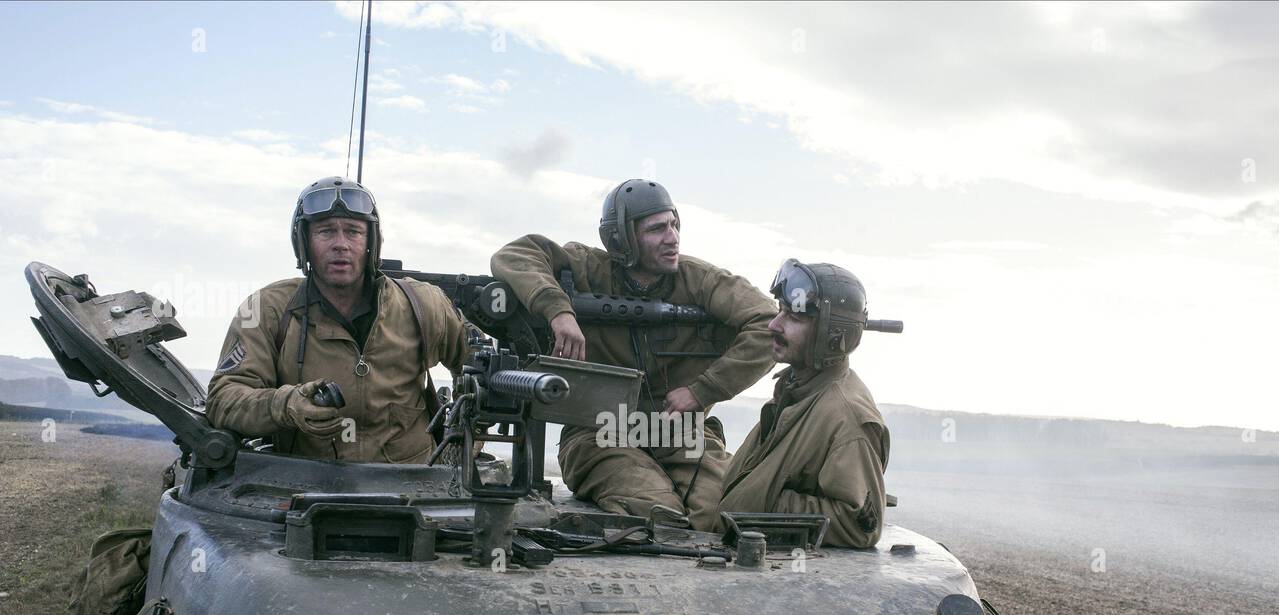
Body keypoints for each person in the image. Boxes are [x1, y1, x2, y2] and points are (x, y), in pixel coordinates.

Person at [489, 179, 776, 528]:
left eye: (674, 224)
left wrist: (703, 390)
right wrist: (558, 310)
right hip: (597, 433)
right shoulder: (587, 269)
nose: (672, 237)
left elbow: (768, 324)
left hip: (679, 430)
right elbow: (516, 254)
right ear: (621, 240)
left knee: (722, 515)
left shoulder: (699, 280)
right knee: (657, 513)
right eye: (657, 229)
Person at [206, 176, 468, 463]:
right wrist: (285, 404)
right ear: (303, 242)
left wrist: (465, 436)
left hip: (413, 486)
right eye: (326, 231)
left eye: (354, 232)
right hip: (306, 486)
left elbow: (481, 372)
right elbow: (223, 399)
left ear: (371, 241)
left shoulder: (422, 305)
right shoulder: (268, 310)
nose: (340, 244)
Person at [706, 259, 889, 548]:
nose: (774, 324)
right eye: (780, 311)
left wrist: (763, 497)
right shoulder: (798, 389)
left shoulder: (846, 416)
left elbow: (859, 524)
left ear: (830, 335)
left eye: (793, 317)